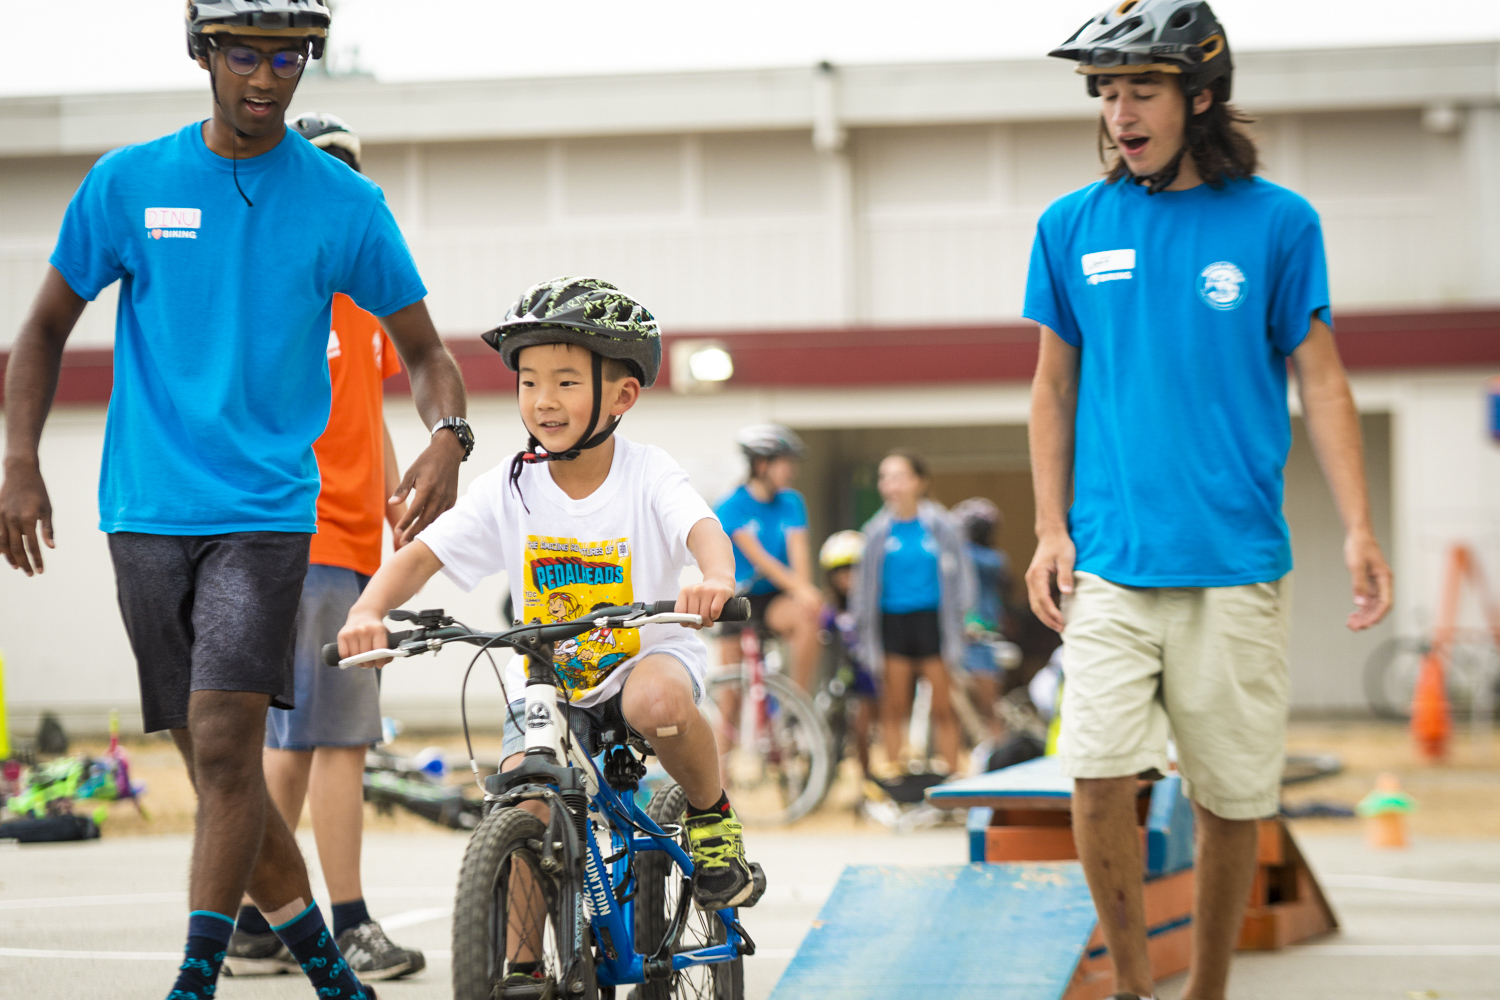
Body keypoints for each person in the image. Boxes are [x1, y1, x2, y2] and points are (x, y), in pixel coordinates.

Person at [0, 5, 470, 999]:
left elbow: (427, 353)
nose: (266, 76)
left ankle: (194, 981)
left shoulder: (344, 204)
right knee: (219, 769)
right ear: (202, 51)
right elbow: (41, 329)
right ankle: (331, 972)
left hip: (267, 512)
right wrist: (21, 460)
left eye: (287, 55)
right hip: (143, 511)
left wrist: (448, 435)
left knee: (222, 741)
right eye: (244, 53)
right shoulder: (127, 183)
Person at [1026, 4, 1392, 999]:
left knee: (1231, 795)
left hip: (1235, 560)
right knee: (1097, 773)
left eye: (1141, 88)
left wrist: (1360, 527)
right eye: (1107, 91)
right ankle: (1135, 986)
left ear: (1199, 96)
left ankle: (1210, 988)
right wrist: (1051, 528)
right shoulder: (1070, 226)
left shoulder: (1279, 222)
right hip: (1111, 558)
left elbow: (1323, 382)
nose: (1120, 112)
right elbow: (1053, 388)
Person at [337, 279, 765, 963]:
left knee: (656, 701)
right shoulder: (510, 484)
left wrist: (715, 578)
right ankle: (522, 968)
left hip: (644, 660)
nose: (543, 399)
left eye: (566, 382)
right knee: (526, 802)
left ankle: (712, 816)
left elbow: (701, 528)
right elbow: (420, 556)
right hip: (548, 681)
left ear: (622, 396)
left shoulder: (648, 473)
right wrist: (367, 611)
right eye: (529, 381)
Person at [224, 112, 425, 982]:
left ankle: (256, 923)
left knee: (298, 738)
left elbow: (367, 414)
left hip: (345, 542)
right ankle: (347, 923)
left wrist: (396, 503)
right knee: (336, 738)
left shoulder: (368, 296)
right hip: (299, 538)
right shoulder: (270, 284)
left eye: (348, 173)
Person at [854, 451, 974, 775]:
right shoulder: (876, 531)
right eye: (885, 478)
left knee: (944, 706)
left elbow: (963, 578)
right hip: (892, 622)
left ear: (919, 482)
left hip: (934, 621)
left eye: (899, 477)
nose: (891, 485)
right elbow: (863, 589)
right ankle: (897, 775)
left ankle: (951, 774)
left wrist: (967, 618)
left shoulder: (942, 526)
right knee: (894, 706)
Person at [714, 425, 823, 692]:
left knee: (808, 617)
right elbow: (761, 560)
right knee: (731, 698)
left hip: (775, 596)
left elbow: (799, 553)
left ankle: (796, 703)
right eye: (786, 463)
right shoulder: (731, 505)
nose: (792, 470)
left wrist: (805, 593)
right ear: (762, 465)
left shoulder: (792, 502)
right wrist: (803, 590)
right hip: (738, 598)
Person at [951, 497, 1011, 749]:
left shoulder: (969, 557)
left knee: (983, 706)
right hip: (985, 632)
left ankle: (995, 752)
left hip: (978, 636)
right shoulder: (997, 559)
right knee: (988, 706)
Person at [818, 530, 876, 781]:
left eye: (853, 571)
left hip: (876, 677)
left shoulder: (876, 605)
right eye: (841, 572)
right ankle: (866, 778)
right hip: (851, 679)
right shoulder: (831, 611)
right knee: (858, 729)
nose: (847, 578)